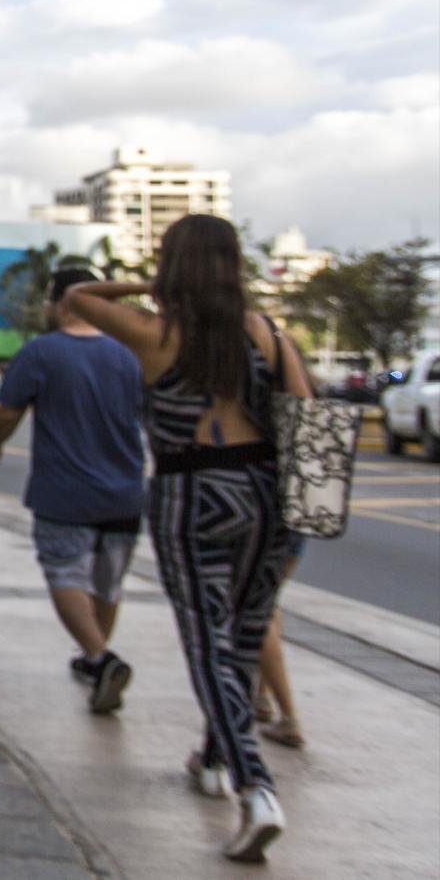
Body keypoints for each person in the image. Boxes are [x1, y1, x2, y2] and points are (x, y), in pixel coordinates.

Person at [65, 215, 309, 864]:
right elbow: (307, 416)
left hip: (191, 490)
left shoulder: (156, 332)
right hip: (264, 495)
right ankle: (212, 755)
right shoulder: (267, 333)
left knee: (207, 641)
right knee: (243, 636)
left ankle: (255, 787)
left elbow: (77, 298)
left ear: (177, 268)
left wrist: (155, 282)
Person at [0, 268, 146, 716]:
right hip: (127, 492)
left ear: (62, 302)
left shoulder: (42, 353)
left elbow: (8, 411)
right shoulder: (129, 354)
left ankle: (100, 656)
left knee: (65, 573)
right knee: (107, 584)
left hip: (64, 492)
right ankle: (96, 661)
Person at [254, 540, 307, 748]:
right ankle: (262, 696)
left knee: (259, 607)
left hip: (262, 528)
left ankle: (289, 717)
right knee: (269, 599)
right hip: (295, 527)